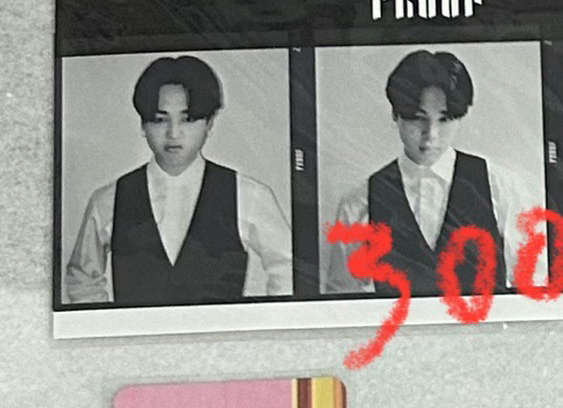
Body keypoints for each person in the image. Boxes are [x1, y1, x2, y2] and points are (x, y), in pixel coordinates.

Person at [63, 55, 293, 307]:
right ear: (143, 124)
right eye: (160, 119)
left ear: (209, 123)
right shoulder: (108, 200)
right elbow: (81, 278)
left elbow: (289, 267)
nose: (173, 133)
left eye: (187, 119)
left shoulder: (248, 195)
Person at [325, 50, 537, 297]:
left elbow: (533, 284)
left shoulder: (501, 188)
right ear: (396, 115)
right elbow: (344, 301)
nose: (431, 134)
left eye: (444, 119)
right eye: (418, 118)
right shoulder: (359, 203)